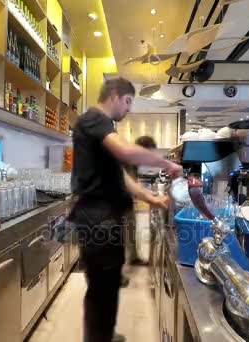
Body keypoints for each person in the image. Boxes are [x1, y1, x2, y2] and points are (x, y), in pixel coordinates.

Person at [68, 77, 182, 342]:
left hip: (104, 218)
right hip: (99, 219)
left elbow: (120, 176)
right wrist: (166, 163)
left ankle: (103, 335)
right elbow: (127, 154)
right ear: (116, 95)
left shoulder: (101, 128)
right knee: (102, 288)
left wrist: (149, 197)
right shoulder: (96, 119)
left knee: (106, 286)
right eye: (129, 101)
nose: (129, 109)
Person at [124, 136, 157, 267]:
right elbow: (128, 183)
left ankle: (133, 258)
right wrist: (148, 196)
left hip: (125, 202)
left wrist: (146, 193)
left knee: (130, 229)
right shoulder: (127, 158)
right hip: (115, 202)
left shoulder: (134, 160)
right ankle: (115, 274)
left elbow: (133, 183)